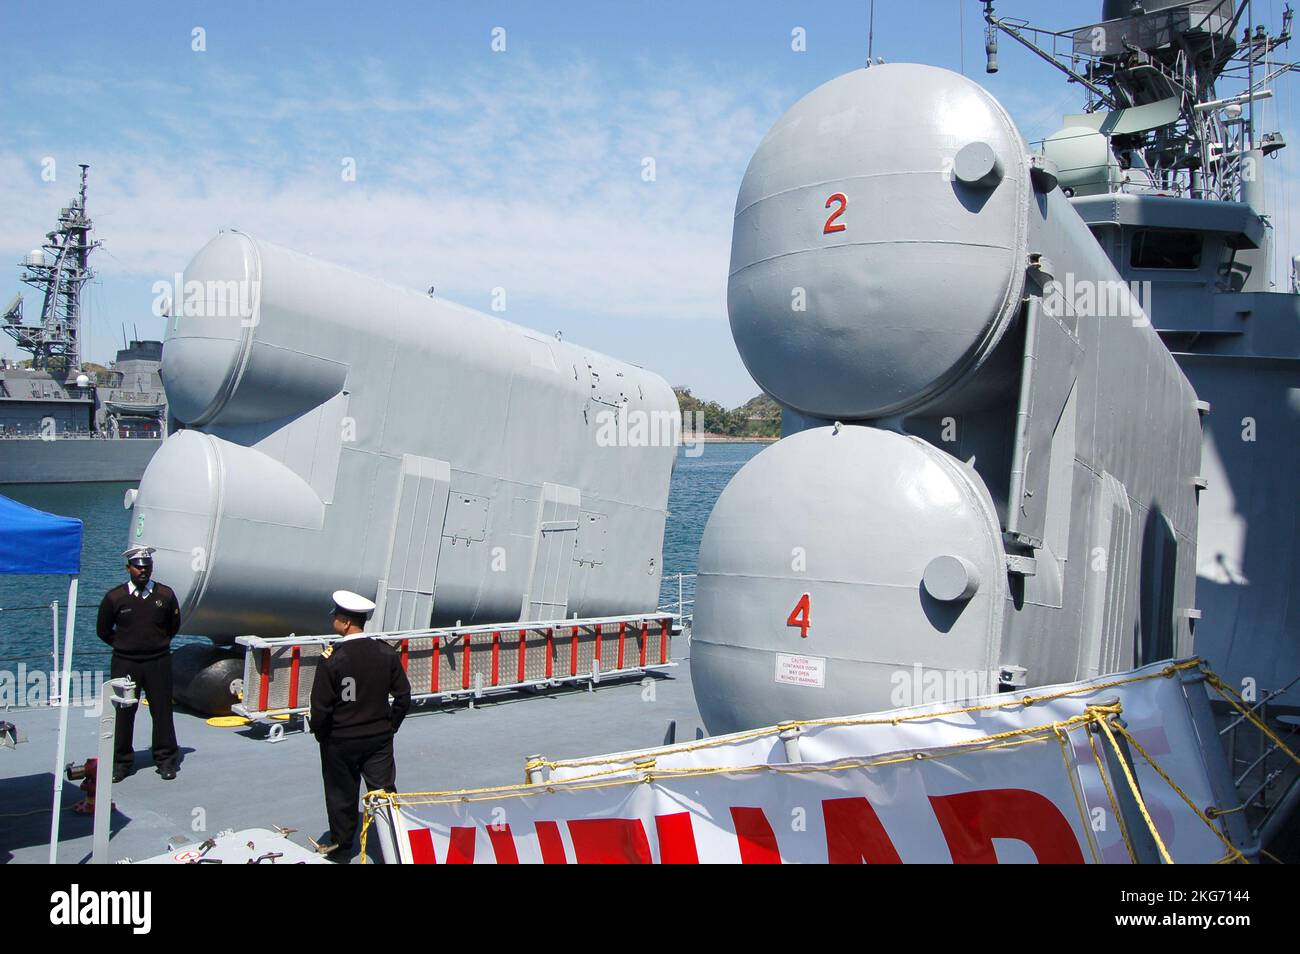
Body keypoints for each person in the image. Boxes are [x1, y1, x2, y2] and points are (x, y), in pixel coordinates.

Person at [310, 590, 411, 861]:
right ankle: (397, 844)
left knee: (341, 794)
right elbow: (403, 696)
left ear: (344, 623)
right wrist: (391, 726)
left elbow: (320, 706)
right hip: (378, 737)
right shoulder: (385, 653)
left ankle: (341, 849)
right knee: (384, 793)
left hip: (341, 740)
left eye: (336, 617)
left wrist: (323, 735)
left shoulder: (331, 657)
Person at [95, 545, 182, 782]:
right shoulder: (115, 598)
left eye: (147, 567)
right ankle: (120, 763)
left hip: (158, 662)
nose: (143, 571)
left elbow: (173, 626)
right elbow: (102, 630)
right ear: (128, 568)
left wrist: (155, 643)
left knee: (162, 712)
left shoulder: (165, 595)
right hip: (126, 663)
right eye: (138, 567)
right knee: (123, 713)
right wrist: (125, 645)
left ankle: (166, 760)